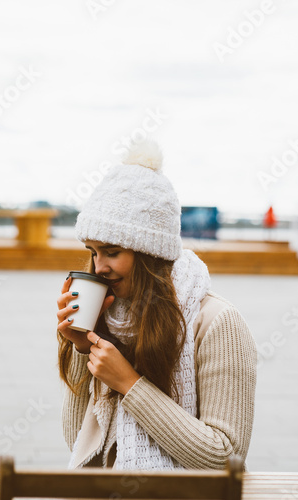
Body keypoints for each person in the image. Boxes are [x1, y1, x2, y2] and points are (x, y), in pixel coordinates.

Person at [56, 139, 257, 470]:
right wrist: (82, 347)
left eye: (112, 251)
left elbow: (227, 458)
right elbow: (77, 441)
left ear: (149, 252)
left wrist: (129, 384)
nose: (99, 267)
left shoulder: (219, 322)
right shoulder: (110, 314)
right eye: (93, 252)